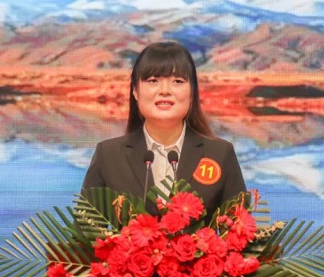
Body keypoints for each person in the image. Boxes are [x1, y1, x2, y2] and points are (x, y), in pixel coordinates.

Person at [81, 41, 246, 217]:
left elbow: (239, 229)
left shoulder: (220, 154)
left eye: (177, 81)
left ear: (192, 92)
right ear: (135, 91)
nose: (165, 91)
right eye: (153, 81)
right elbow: (85, 230)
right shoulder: (109, 155)